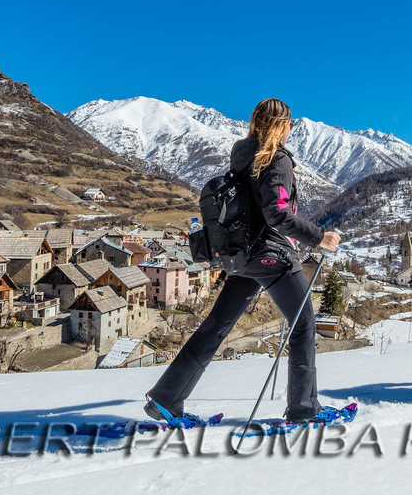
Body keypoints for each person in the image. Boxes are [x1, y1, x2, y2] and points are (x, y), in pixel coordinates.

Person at [145, 98, 343, 425]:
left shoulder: (242, 156)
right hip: (273, 256)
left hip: (243, 258)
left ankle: (166, 398)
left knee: (216, 327)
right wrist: (319, 236)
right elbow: (277, 214)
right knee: (304, 325)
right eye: (289, 123)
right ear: (280, 125)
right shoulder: (275, 160)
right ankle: (304, 410)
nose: (292, 129)